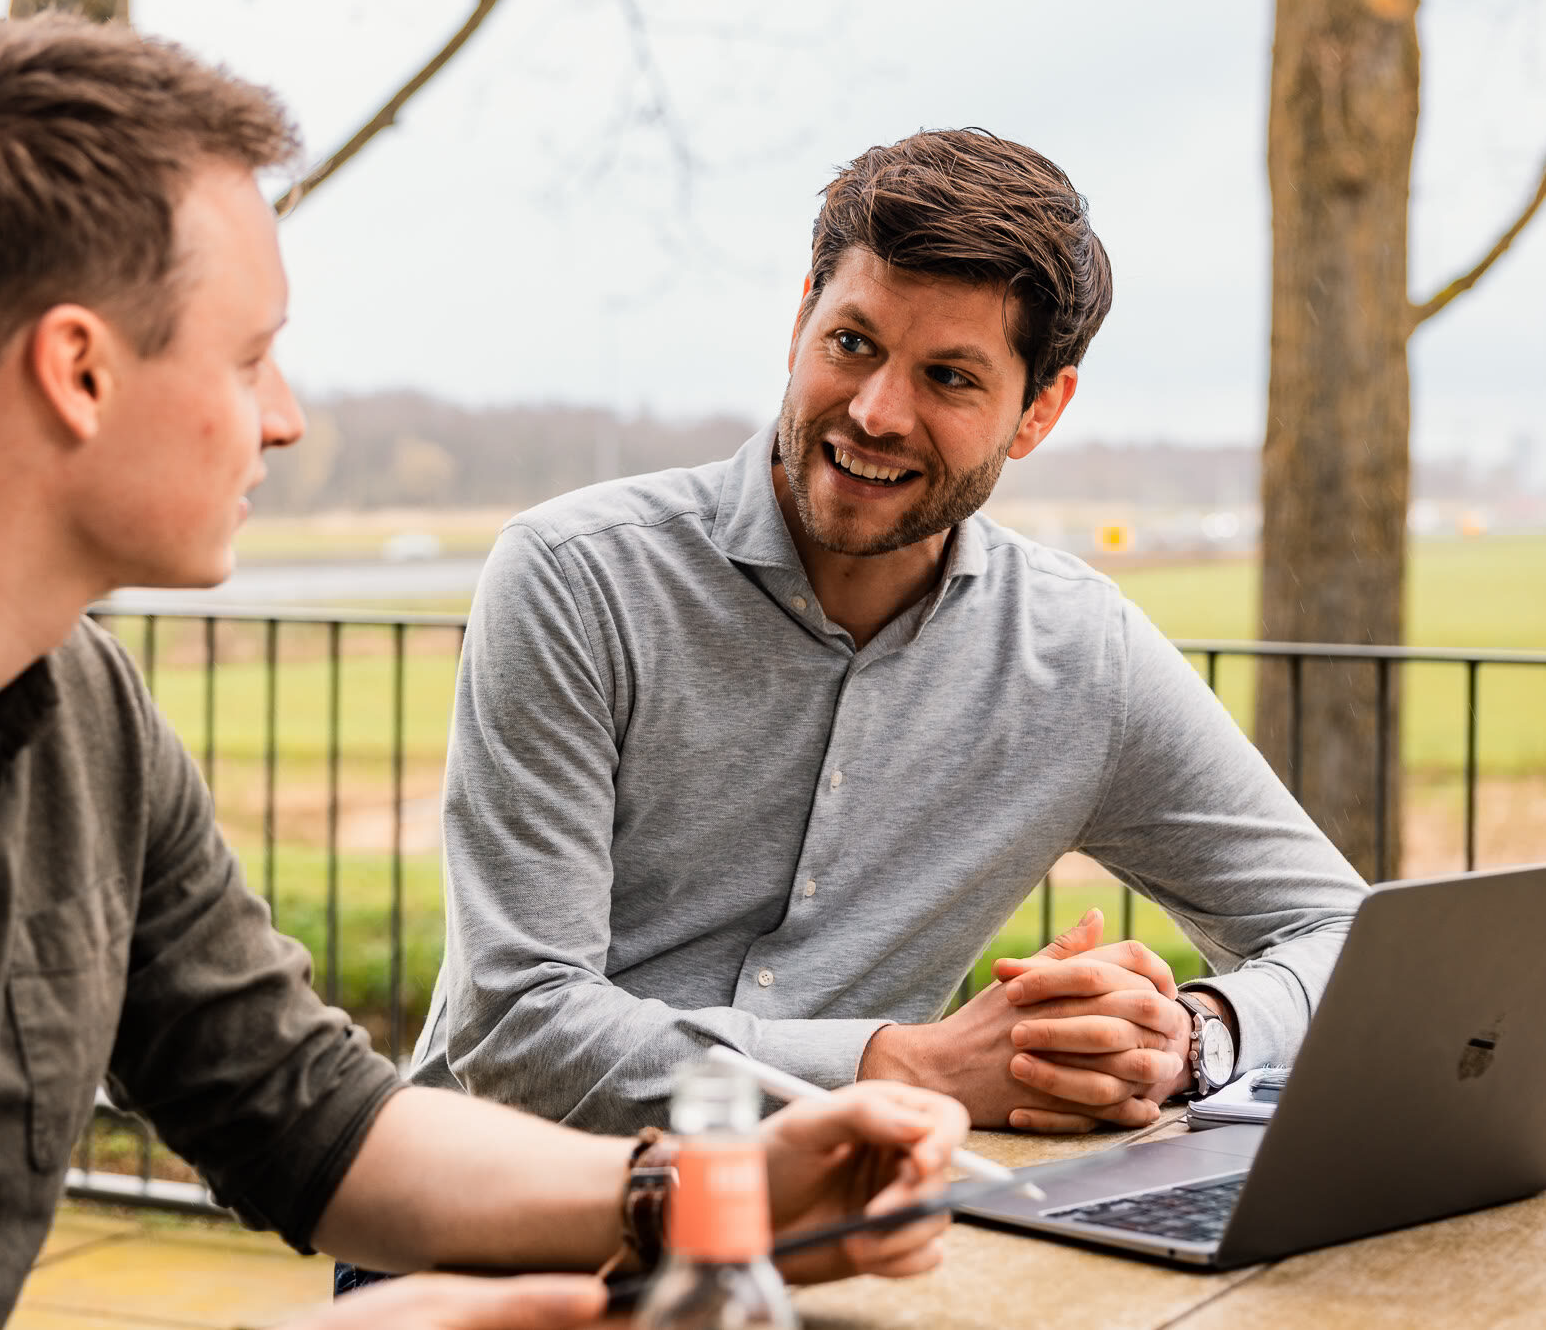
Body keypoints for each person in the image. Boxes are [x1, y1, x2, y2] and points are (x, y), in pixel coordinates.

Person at [0, 15, 970, 1330]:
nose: (282, 414)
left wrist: (691, 1185)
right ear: (80, 369)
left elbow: (302, 1107)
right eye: (246, 355)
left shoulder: (87, 718)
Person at [410, 127, 1369, 1138]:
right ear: (799, 323)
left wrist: (1182, 1037)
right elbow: (515, 1028)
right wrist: (904, 1065)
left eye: (949, 377)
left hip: (836, 1227)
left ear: (1037, 410)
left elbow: (1346, 935)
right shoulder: (575, 578)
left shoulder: (1077, 654)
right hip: (501, 1224)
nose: (874, 411)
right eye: (852, 343)